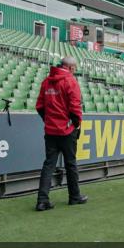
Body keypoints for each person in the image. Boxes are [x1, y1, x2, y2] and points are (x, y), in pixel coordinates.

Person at [34, 56, 86, 211]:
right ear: (70, 68)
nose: (75, 70)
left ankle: (42, 200)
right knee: (71, 164)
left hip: (50, 131)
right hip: (66, 130)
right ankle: (74, 197)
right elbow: (75, 107)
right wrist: (76, 124)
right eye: (75, 68)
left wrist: (48, 121)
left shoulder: (46, 81)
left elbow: (39, 106)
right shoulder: (70, 81)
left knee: (49, 164)